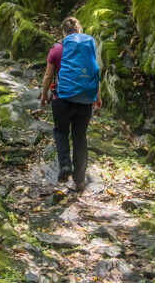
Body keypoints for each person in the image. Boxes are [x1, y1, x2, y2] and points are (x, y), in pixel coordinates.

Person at [38, 16, 101, 191]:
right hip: (85, 101)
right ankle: (80, 181)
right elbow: (93, 72)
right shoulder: (88, 47)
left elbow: (48, 76)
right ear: (79, 31)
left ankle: (65, 164)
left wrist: (44, 95)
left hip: (62, 100)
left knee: (60, 131)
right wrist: (97, 97)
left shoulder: (58, 49)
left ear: (63, 32)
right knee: (80, 138)